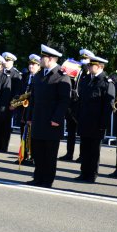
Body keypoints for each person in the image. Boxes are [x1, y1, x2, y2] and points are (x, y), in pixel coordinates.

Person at [26, 44, 71, 188]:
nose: (40, 59)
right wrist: (29, 116)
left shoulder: (61, 76)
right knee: (38, 152)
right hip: (38, 119)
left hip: (52, 122)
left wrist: (56, 119)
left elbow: (64, 101)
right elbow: (33, 98)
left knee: (50, 154)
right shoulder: (39, 75)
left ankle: (47, 180)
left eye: (42, 57)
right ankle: (37, 177)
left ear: (50, 59)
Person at [76, 55, 115, 183]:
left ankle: (92, 174)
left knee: (94, 150)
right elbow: (81, 100)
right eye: (89, 65)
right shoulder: (87, 79)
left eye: (91, 65)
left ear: (99, 66)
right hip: (84, 120)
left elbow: (108, 106)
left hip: (96, 122)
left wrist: (103, 123)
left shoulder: (106, 82)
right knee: (84, 148)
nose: (88, 67)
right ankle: (84, 172)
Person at [59, 49, 94, 161]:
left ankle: (82, 155)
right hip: (72, 103)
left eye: (86, 59)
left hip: (82, 104)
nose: (83, 61)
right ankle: (69, 153)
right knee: (71, 131)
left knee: (82, 132)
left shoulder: (88, 73)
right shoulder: (76, 70)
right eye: (82, 58)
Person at [12, 53, 41, 165]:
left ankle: (32, 157)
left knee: (32, 135)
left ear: (39, 66)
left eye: (34, 64)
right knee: (23, 133)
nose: (31, 66)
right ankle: (23, 155)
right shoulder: (24, 76)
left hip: (33, 110)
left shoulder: (39, 78)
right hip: (23, 110)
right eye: (30, 64)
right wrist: (16, 102)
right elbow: (19, 92)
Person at [1, 52, 22, 152]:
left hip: (9, 104)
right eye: (4, 60)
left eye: (7, 60)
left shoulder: (16, 74)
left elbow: (17, 91)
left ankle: (4, 146)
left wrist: (13, 104)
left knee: (5, 126)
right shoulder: (1, 71)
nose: (5, 62)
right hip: (0, 103)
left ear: (12, 62)